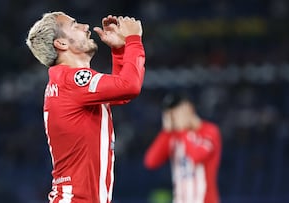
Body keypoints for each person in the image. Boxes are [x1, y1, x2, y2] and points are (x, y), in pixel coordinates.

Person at [26, 12, 145, 203]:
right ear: (62, 44)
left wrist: (120, 50)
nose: (86, 27)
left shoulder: (66, 81)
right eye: (74, 25)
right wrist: (133, 40)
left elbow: (120, 94)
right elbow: (129, 86)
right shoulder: (72, 80)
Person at [144, 93, 221, 203]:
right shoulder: (173, 136)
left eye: (175, 111)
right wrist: (166, 132)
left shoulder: (209, 131)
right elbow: (150, 162)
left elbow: (196, 157)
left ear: (188, 108)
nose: (173, 116)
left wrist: (182, 130)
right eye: (169, 113)